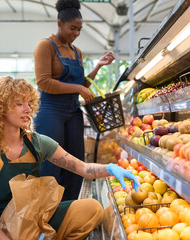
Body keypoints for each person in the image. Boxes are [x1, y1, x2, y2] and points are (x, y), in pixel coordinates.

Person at [0, 77, 140, 240]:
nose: (28, 109)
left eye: (29, 103)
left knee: (92, 209)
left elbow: (82, 168)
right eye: (19, 104)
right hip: (0, 232)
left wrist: (109, 168)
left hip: (33, 220)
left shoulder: (36, 143)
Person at [33, 0, 115, 201]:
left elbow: (82, 85)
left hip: (73, 113)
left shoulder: (76, 51)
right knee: (51, 164)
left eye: (79, 29)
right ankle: (47, 213)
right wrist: (78, 88)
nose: (76, 33)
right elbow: (44, 82)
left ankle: (68, 209)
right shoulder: (46, 46)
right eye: (72, 28)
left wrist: (98, 67)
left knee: (76, 164)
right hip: (50, 112)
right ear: (59, 23)